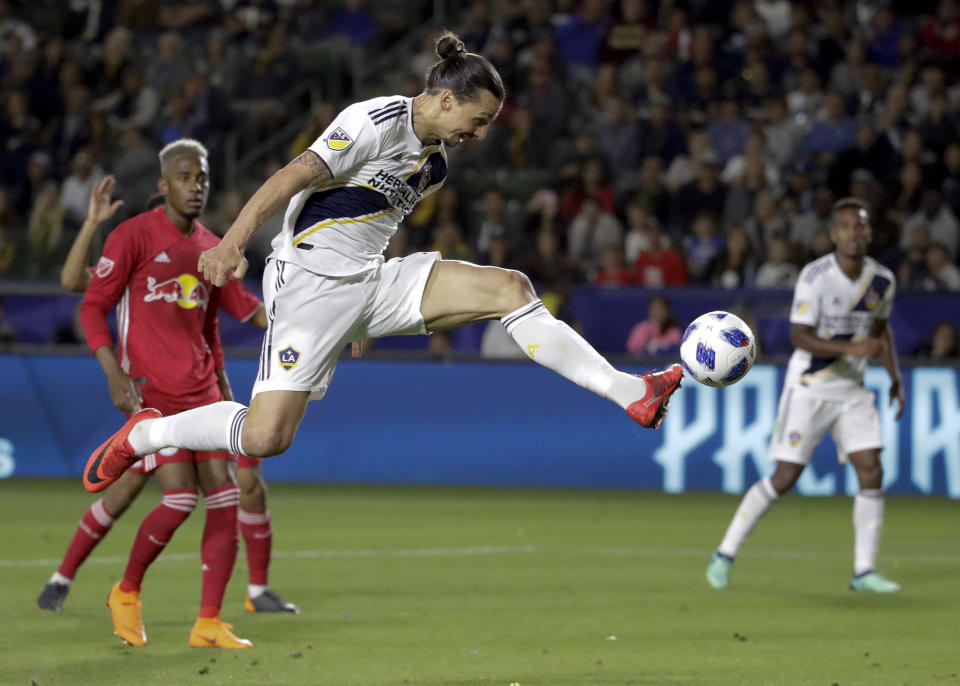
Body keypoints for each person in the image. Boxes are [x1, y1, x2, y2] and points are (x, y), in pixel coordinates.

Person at [81, 32, 682, 506]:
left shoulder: (435, 163)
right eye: (478, 120)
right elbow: (294, 175)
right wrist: (234, 242)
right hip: (310, 284)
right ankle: (146, 435)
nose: (479, 135)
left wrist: (367, 314)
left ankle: (632, 391)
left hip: (370, 280)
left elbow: (374, 222)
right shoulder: (373, 120)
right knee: (267, 438)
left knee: (511, 288)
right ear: (447, 98)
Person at [39, 178, 298, 616]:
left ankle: (253, 593)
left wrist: (309, 316)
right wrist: (92, 225)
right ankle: (65, 578)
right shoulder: (132, 261)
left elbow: (225, 320)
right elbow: (72, 282)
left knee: (242, 487)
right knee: (131, 493)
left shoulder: (200, 256)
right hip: (152, 397)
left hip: (204, 391)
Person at [76, 138, 260, 649]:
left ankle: (207, 622)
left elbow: (211, 328)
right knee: (180, 499)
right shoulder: (132, 236)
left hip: (203, 389)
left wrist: (222, 383)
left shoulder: (213, 247)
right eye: (184, 176)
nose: (195, 185)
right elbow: (92, 306)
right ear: (163, 185)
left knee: (224, 497)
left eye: (201, 177)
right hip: (153, 400)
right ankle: (127, 591)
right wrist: (113, 371)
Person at [705, 198, 905, 594]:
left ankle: (863, 571)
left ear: (869, 232)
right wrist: (853, 350)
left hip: (852, 390)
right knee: (785, 476)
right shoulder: (815, 278)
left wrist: (896, 377)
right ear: (833, 234)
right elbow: (800, 337)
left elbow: (881, 331)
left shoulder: (883, 280)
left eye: (861, 226)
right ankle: (725, 552)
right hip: (810, 388)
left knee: (871, 468)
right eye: (846, 226)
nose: (854, 232)